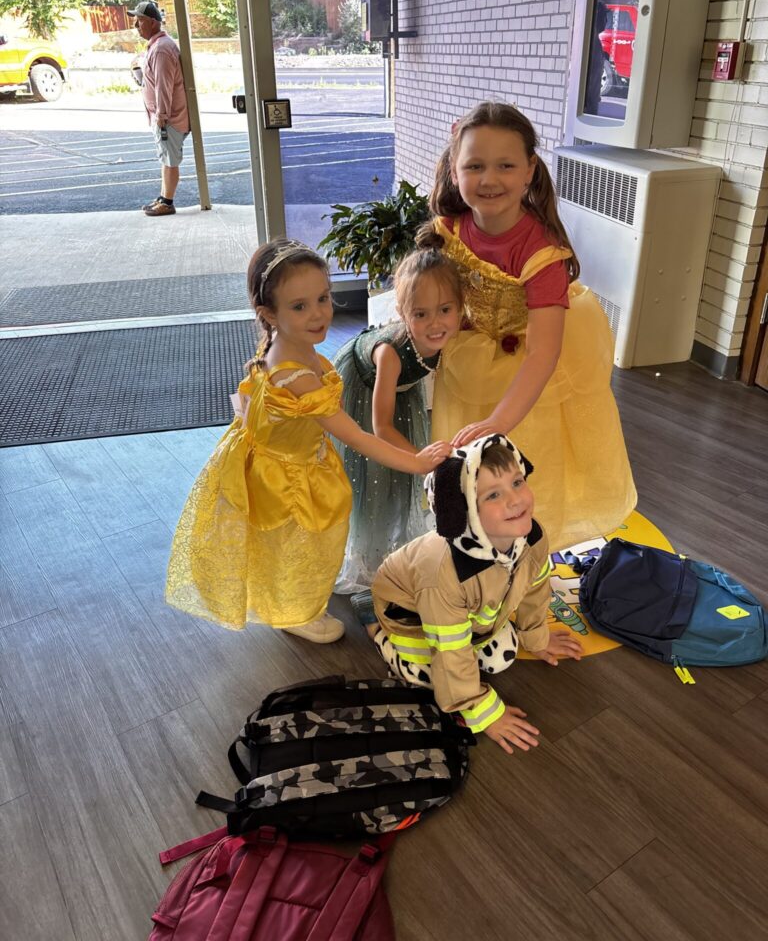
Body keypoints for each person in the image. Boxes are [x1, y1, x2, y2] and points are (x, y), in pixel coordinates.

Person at [165, 239, 451, 643]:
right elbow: (357, 436)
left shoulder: (288, 346)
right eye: (300, 306)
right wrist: (418, 462)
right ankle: (296, 611)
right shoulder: (296, 377)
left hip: (287, 458)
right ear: (270, 314)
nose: (319, 313)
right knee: (299, 539)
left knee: (297, 540)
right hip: (286, 475)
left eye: (323, 298)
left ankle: (293, 599)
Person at [417, 100, 636, 552]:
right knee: (472, 478)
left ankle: (526, 560)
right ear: (454, 169)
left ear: (530, 170)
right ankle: (476, 552)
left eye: (506, 165)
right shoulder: (449, 229)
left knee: (521, 478)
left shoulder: (541, 253)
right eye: (474, 166)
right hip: (470, 364)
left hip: (529, 378)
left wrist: (498, 421)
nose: (489, 179)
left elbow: (543, 353)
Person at [369, 434, 583, 753]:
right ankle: (376, 631)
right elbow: (450, 650)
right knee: (428, 680)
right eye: (493, 494)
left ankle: (469, 646)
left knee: (502, 657)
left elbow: (536, 589)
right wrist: (484, 713)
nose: (516, 500)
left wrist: (537, 637)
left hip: (464, 613)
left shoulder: (533, 536)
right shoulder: (442, 574)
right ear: (462, 511)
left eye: (517, 482)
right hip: (408, 614)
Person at [333, 247, 464, 592]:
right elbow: (381, 428)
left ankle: (399, 548)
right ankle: (369, 561)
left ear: (460, 307)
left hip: (400, 392)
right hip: (364, 393)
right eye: (421, 314)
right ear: (403, 313)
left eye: (445, 310)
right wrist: (419, 461)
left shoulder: (452, 331)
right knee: (375, 477)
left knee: (401, 474)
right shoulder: (390, 354)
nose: (435, 323)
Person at [129, 0, 190, 217]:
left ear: (153, 22)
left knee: (169, 160)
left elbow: (164, 86)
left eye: (140, 20)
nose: (136, 25)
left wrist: (162, 116)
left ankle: (168, 202)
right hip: (164, 117)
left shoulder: (162, 49)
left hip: (169, 118)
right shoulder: (157, 46)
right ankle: (163, 197)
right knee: (165, 158)